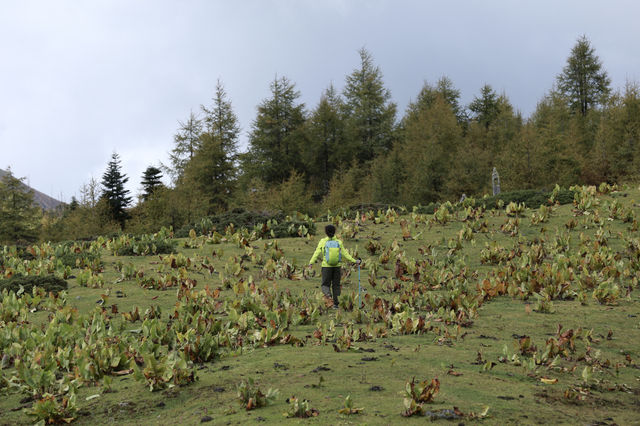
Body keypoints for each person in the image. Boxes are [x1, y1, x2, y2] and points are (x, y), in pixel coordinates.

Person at [308, 224, 360, 309]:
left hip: (326, 266)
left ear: (326, 232)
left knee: (325, 284)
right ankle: (336, 304)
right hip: (337, 266)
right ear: (335, 232)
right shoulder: (338, 242)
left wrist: (311, 262)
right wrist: (354, 260)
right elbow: (345, 253)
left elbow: (316, 252)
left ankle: (328, 297)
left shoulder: (323, 241)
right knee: (336, 285)